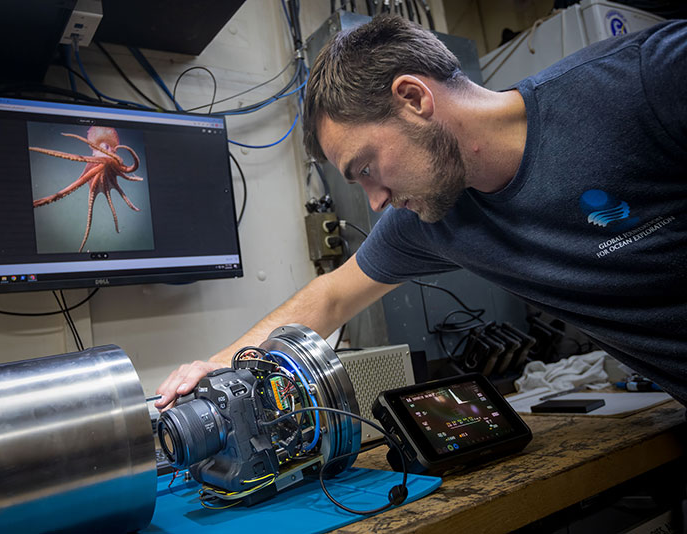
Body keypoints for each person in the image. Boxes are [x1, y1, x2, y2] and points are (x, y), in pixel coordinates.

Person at [156, 15, 687, 410]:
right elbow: (332, 295)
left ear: (413, 98)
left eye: (367, 168)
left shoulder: (644, 82)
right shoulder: (433, 218)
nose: (376, 200)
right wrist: (216, 367)